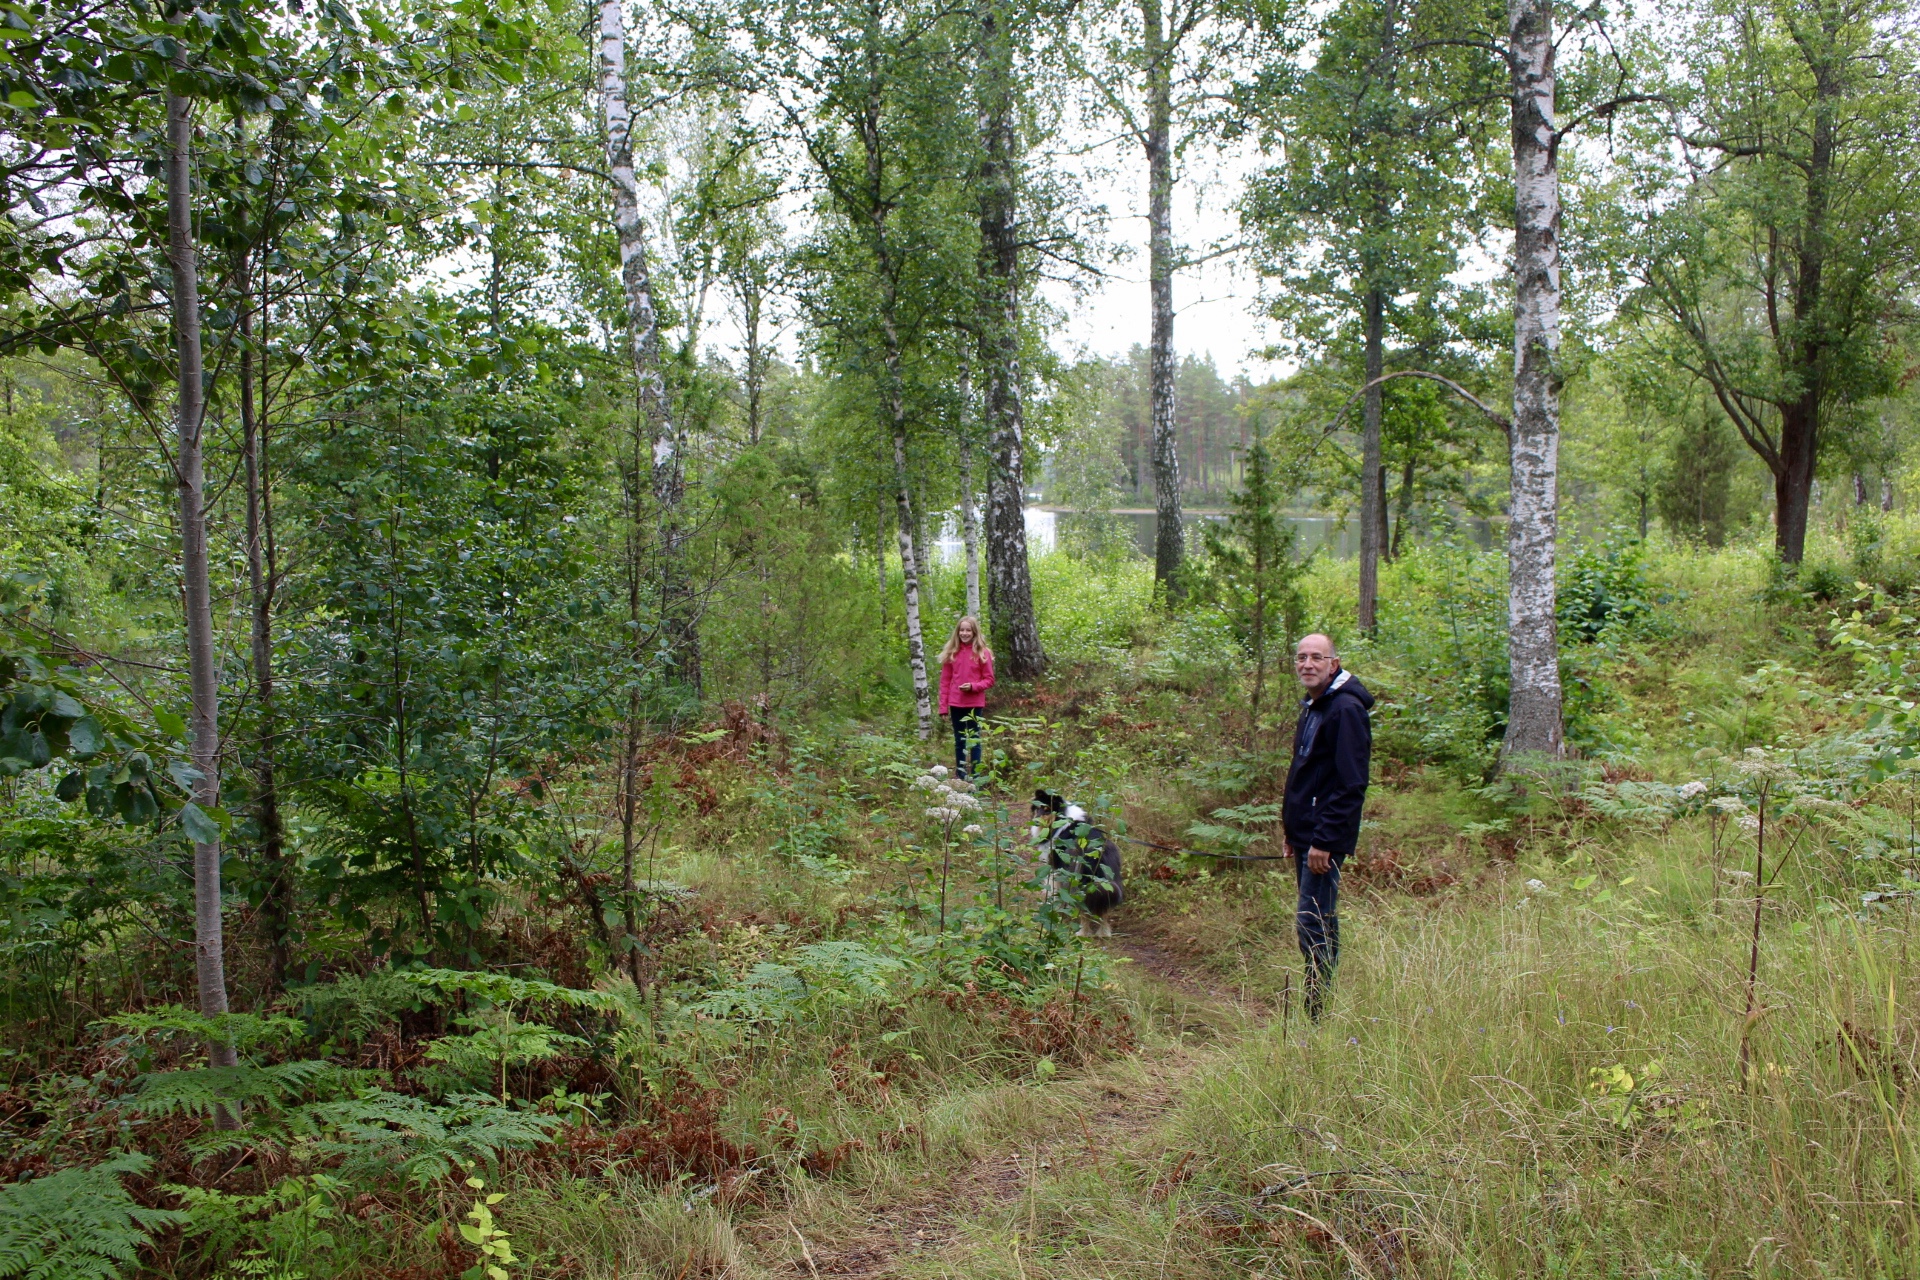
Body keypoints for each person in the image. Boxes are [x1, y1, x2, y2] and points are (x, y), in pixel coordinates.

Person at [1282, 632, 1373, 1020]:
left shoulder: (1345, 710)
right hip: (1308, 835)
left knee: (1313, 923)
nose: (1307, 664)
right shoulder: (1315, 705)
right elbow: (1308, 775)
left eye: (1317, 657)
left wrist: (1324, 840)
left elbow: (1350, 783)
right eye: (1301, 657)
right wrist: (1294, 832)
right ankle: (1318, 1006)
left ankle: (1317, 1013)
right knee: (1316, 920)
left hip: (1324, 841)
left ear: (1333, 664)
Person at [936, 616, 995, 779]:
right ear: (957, 632)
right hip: (956, 703)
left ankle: (975, 776)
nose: (964, 633)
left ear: (974, 632)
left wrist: (973, 687)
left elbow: (989, 679)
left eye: (968, 630)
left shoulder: (983, 653)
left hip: (975, 703)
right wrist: (943, 707)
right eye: (962, 630)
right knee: (960, 740)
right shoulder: (951, 653)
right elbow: (945, 681)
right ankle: (961, 775)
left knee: (974, 739)